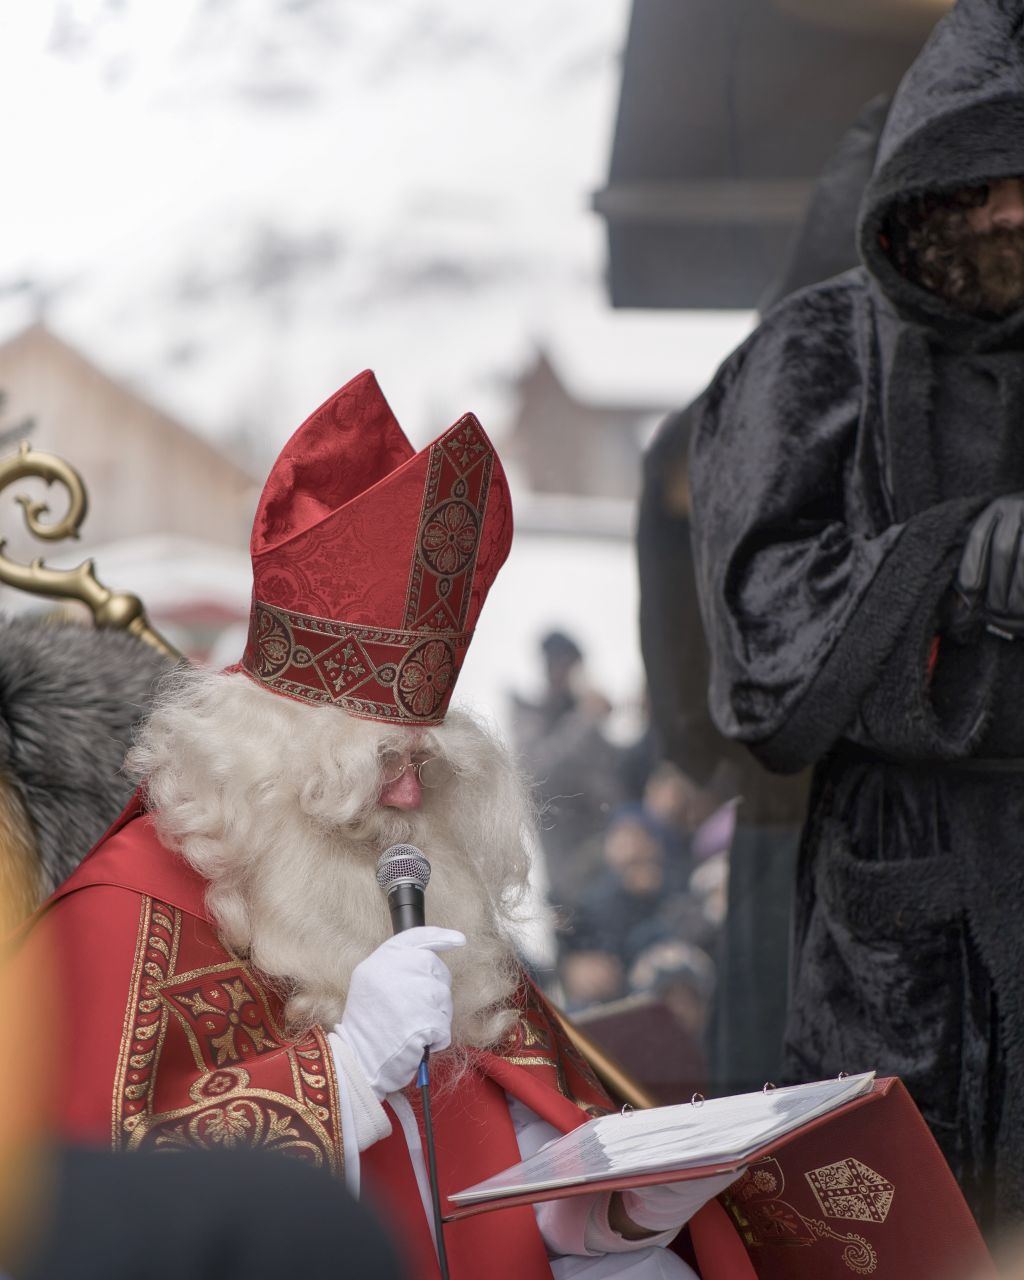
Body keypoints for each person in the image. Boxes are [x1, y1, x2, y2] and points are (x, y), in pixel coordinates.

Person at [16, 371, 740, 1279]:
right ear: (264, 761)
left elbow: (504, 1173)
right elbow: (76, 1204)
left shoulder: (421, 896)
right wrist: (345, 1071)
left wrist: (610, 1222)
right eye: (377, 765)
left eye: (424, 766)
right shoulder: (120, 918)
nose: (407, 799)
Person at [689, 0, 1024, 1229]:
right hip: (904, 941)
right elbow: (760, 651)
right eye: (980, 180)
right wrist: (958, 568)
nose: (1009, 213)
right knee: (896, 1237)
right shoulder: (815, 352)